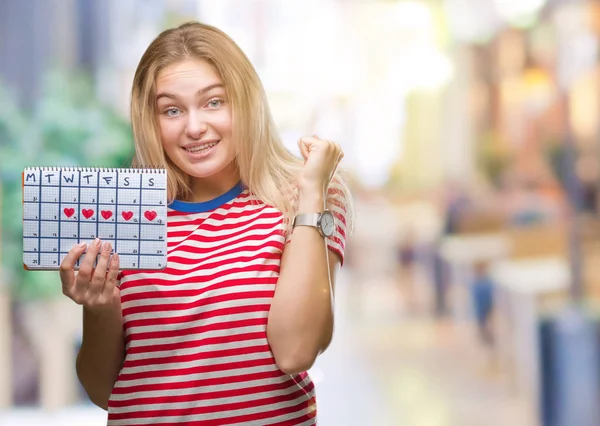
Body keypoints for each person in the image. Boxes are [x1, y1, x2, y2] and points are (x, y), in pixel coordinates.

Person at [58, 22, 353, 425]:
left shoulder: (303, 198)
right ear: (152, 120)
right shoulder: (128, 212)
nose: (194, 127)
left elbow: (296, 351)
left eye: (213, 102)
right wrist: (99, 307)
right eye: (172, 110)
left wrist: (311, 195)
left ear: (245, 101)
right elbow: (103, 391)